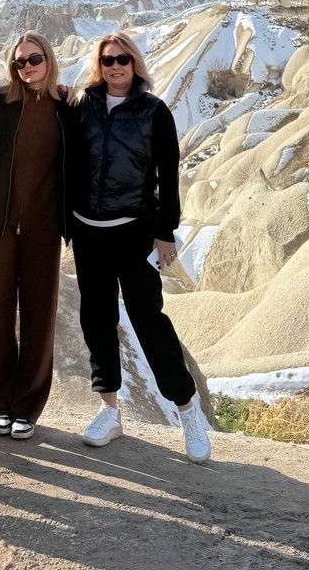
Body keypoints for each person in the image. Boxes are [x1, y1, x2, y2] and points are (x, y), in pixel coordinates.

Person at [67, 32, 211, 464]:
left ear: (135, 64)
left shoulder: (154, 111)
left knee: (149, 320)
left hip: (133, 231)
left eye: (123, 60)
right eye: (108, 60)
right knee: (97, 318)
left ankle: (188, 411)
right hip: (88, 231)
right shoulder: (83, 107)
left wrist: (165, 232)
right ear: (99, 64)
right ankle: (110, 413)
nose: (115, 67)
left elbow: (170, 175)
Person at [0, 33, 67, 441]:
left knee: (37, 317)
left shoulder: (67, 106)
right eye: (18, 63)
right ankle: (0, 404)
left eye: (34, 59)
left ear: (48, 59)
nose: (26, 68)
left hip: (43, 228)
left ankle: (27, 408)